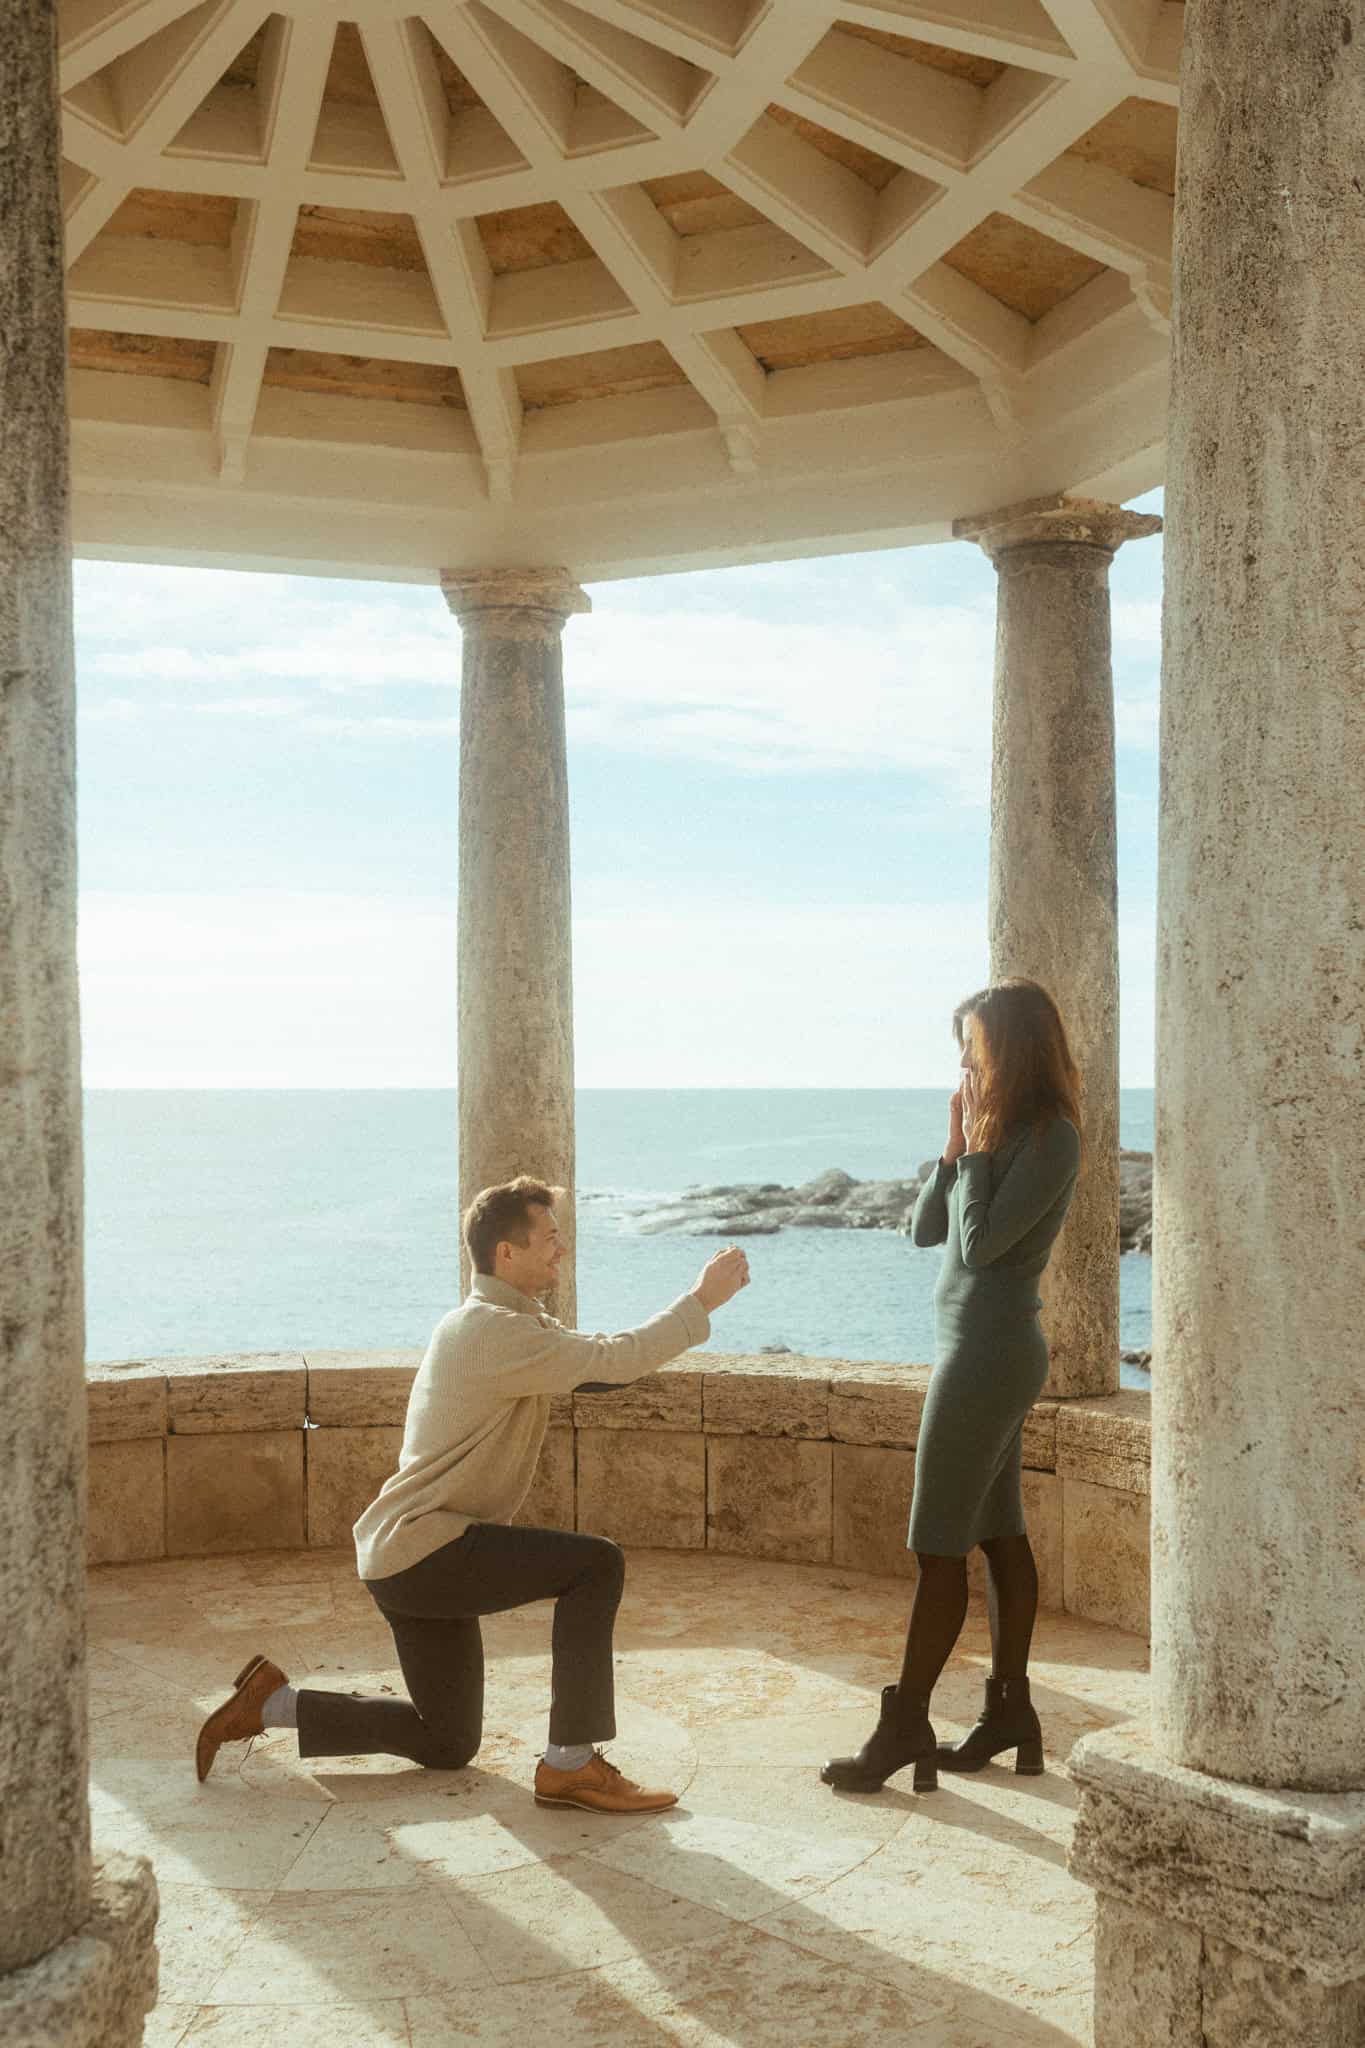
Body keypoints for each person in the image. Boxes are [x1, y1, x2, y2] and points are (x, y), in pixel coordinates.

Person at [196, 1176, 749, 1814]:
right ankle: (571, 1763)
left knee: (447, 1740)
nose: (559, 1249)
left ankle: (271, 1703)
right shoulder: (492, 1332)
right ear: (505, 1254)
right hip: (427, 1551)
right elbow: (610, 1360)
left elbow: (597, 1371)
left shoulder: (500, 1325)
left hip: (407, 1559)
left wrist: (647, 1343)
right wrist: (700, 1301)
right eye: (548, 1238)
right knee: (597, 1564)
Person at [821, 978, 1081, 1794]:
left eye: (975, 1046)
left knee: (936, 1545)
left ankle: (904, 1728)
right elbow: (921, 1229)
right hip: (970, 1352)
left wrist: (971, 1153)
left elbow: (979, 1247)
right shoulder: (991, 1134)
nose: (966, 1064)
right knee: (998, 1533)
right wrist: (951, 1148)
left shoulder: (1051, 1138)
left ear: (1012, 1047)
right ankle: (1010, 1713)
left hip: (988, 1357)